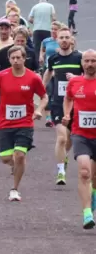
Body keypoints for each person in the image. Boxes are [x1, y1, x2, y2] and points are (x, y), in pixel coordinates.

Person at [0, 46, 48, 201]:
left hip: (25, 123)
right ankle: (15, 164)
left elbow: (44, 97)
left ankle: (14, 189)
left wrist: (39, 109)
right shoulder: (1, 76)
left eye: (18, 58)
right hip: (5, 123)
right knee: (6, 158)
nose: (16, 61)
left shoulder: (33, 78)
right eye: (13, 58)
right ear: (9, 59)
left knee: (19, 155)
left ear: (24, 58)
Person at [42, 27, 82, 185]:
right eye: (61, 37)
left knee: (70, 140)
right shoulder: (53, 58)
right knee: (61, 137)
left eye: (67, 37)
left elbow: (89, 77)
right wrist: (41, 89)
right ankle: (60, 171)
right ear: (57, 40)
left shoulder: (80, 58)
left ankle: (63, 159)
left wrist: (76, 78)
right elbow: (48, 73)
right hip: (58, 103)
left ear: (71, 40)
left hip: (78, 103)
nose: (64, 40)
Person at [63, 49, 96, 229]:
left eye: (93, 61)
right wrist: (67, 113)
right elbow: (68, 99)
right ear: (82, 63)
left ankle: (94, 195)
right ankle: (87, 214)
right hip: (80, 134)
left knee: (94, 176)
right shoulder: (75, 82)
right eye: (87, 61)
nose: (90, 64)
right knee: (84, 172)